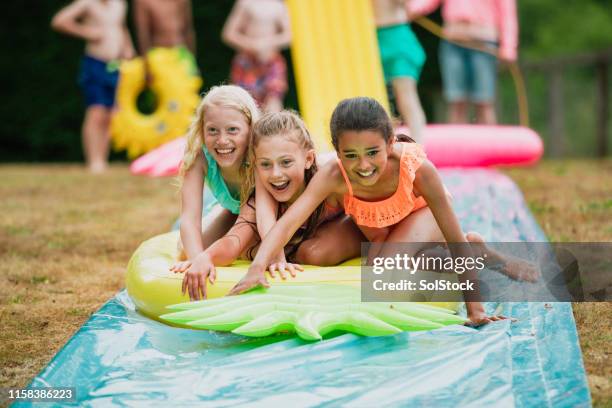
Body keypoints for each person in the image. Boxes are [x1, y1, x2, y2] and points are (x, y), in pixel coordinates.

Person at [230, 97, 537, 325]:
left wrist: (476, 311)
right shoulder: (334, 174)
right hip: (377, 228)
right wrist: (258, 266)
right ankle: (471, 251)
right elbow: (288, 223)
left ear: (390, 143)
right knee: (341, 258)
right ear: (336, 152)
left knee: (385, 276)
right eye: (350, 155)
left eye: (373, 153)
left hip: (421, 217)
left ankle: (485, 256)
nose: (363, 165)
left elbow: (452, 236)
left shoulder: (418, 170)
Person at [172, 110, 364, 300]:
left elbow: (370, 213)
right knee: (255, 249)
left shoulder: (329, 182)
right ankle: (222, 216)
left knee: (313, 254)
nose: (276, 174)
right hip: (298, 236)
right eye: (265, 164)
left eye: (286, 162)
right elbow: (234, 240)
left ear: (308, 159)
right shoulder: (262, 198)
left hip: (338, 227)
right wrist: (205, 257)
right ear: (255, 165)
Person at [51, 0, 135, 173]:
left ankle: (102, 160)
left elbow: (121, 27)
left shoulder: (119, 4)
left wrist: (128, 48)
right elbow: (59, 21)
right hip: (95, 63)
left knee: (110, 114)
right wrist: (86, 32)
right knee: (96, 111)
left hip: (115, 65)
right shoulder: (87, 3)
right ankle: (93, 160)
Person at [407, 0, 518, 124]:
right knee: (456, 101)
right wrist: (409, 9)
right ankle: (454, 143)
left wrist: (508, 46)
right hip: (453, 41)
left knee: (484, 102)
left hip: (483, 42)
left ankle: (490, 143)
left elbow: (507, 13)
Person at [222, 0, 291, 112]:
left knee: (274, 103)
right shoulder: (246, 3)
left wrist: (267, 43)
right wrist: (250, 45)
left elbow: (288, 36)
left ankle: (273, 128)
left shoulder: (279, 6)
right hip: (247, 62)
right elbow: (229, 34)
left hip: (271, 61)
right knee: (243, 104)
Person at [372, 0, 427, 142]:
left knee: (406, 96)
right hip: (370, 37)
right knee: (374, 98)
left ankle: (418, 148)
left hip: (396, 34)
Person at [133, 0, 198, 81]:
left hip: (182, 54)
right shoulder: (143, 2)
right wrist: (146, 65)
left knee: (191, 88)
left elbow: (188, 29)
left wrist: (192, 60)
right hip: (160, 56)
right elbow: (143, 34)